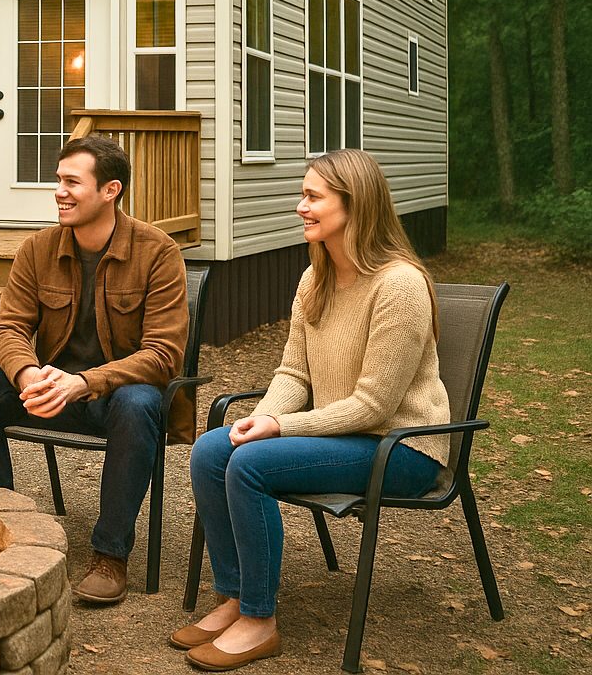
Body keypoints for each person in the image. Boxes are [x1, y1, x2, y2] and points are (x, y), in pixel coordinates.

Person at [176, 148, 450, 671]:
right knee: (213, 449)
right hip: (345, 437)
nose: (300, 206)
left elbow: (374, 406)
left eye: (312, 197)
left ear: (356, 205)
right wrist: (263, 418)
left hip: (402, 447)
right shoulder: (315, 278)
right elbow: (294, 375)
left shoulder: (400, 285)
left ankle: (260, 620)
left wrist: (280, 427)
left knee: (251, 464)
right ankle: (235, 596)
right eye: (302, 195)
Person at [0, 135, 190, 606]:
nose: (59, 191)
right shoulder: (38, 249)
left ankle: (110, 556)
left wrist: (84, 382)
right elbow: (8, 327)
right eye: (58, 180)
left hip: (112, 399)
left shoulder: (157, 252)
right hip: (50, 391)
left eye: (71, 182)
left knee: (141, 402)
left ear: (110, 190)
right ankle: (4, 527)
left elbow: (163, 355)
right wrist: (27, 375)